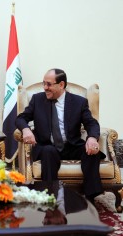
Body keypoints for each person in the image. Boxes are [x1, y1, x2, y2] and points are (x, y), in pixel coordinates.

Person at [15, 68, 105, 203]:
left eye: (49, 84)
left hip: (71, 146)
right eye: (43, 83)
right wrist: (26, 130)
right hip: (47, 147)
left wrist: (92, 138)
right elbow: (20, 118)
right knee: (49, 151)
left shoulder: (79, 102)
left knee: (92, 152)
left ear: (61, 85)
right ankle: (50, 195)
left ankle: (90, 197)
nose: (45, 88)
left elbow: (92, 123)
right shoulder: (37, 99)